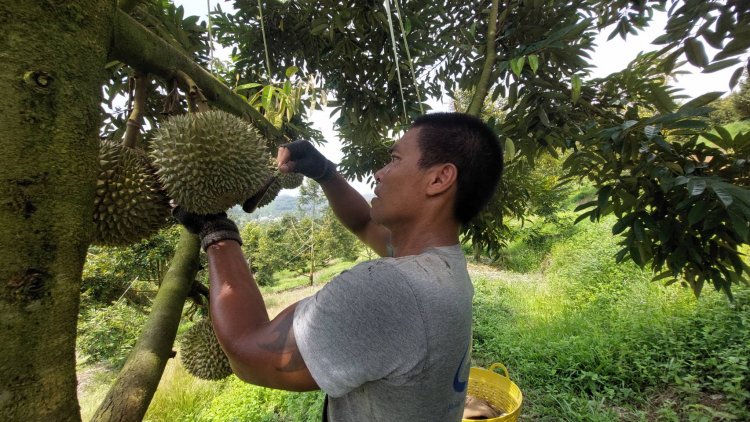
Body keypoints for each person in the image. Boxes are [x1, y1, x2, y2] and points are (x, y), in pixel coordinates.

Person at [173, 112, 504, 421]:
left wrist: (215, 232)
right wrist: (325, 172)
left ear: (439, 178)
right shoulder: (442, 265)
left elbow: (246, 355)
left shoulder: (388, 291)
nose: (379, 172)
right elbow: (363, 222)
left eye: (395, 159)